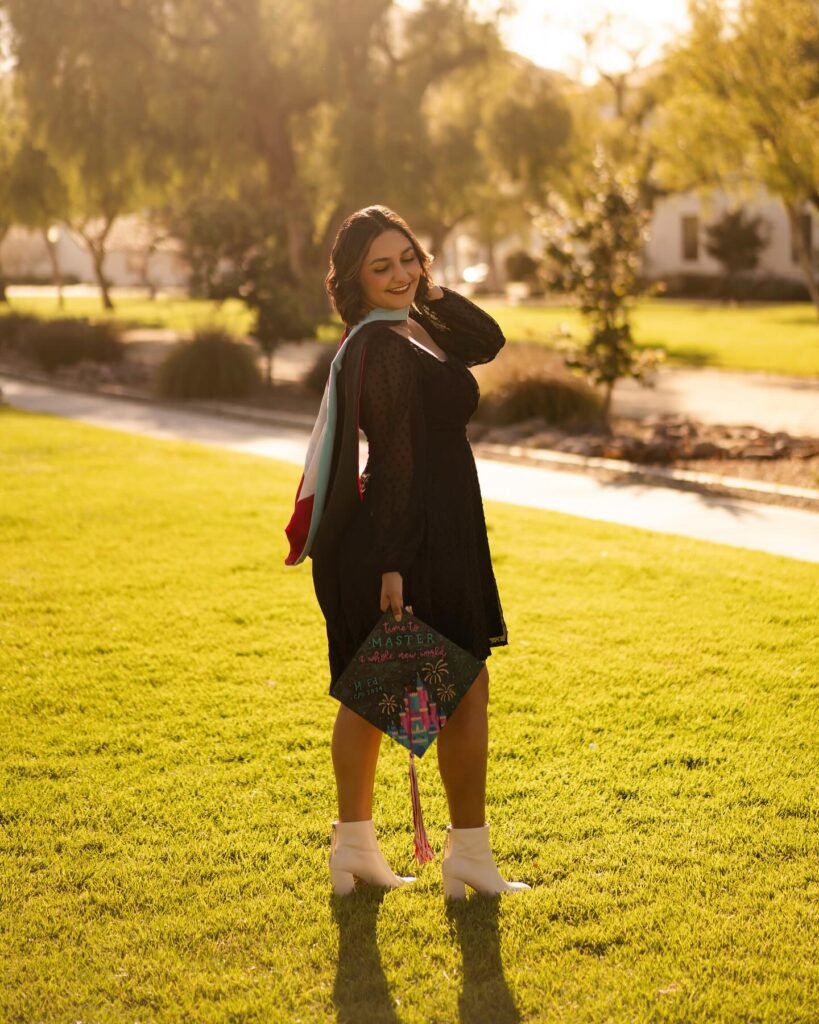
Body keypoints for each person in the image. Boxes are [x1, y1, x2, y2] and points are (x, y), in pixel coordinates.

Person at [285, 205, 530, 900]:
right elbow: (390, 457)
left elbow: (485, 340)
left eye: (407, 258)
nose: (398, 274)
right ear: (354, 280)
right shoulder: (383, 346)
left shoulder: (408, 327)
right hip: (411, 536)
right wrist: (392, 562)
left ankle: (357, 850)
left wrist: (429, 290)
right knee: (454, 685)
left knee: (376, 692)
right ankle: (463, 859)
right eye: (380, 265)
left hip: (438, 526)